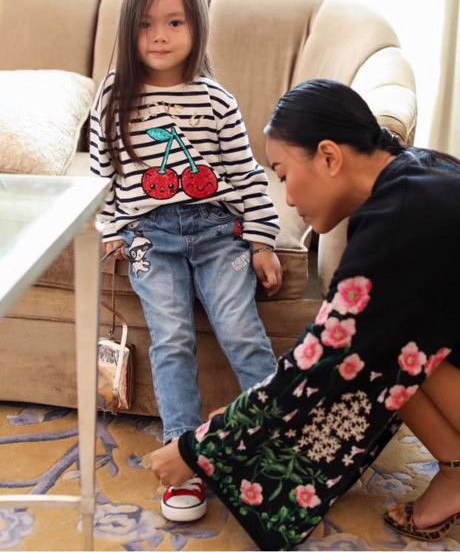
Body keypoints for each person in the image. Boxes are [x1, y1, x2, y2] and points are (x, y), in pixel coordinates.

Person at [151, 79, 460, 550]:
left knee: (366, 353)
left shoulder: (399, 221)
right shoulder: (416, 175)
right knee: (386, 344)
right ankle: (457, 468)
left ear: (329, 157)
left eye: (282, 174)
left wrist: (200, 448)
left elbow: (317, 360)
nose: (289, 199)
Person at [90, 0, 282, 523]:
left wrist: (262, 241)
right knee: (171, 338)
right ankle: (185, 457)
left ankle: (276, 444)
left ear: (197, 26)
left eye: (174, 22)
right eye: (145, 24)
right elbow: (103, 173)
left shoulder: (216, 100)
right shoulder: (114, 94)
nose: (159, 36)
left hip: (218, 232)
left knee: (241, 331)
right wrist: (112, 230)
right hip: (148, 237)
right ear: (128, 29)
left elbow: (246, 175)